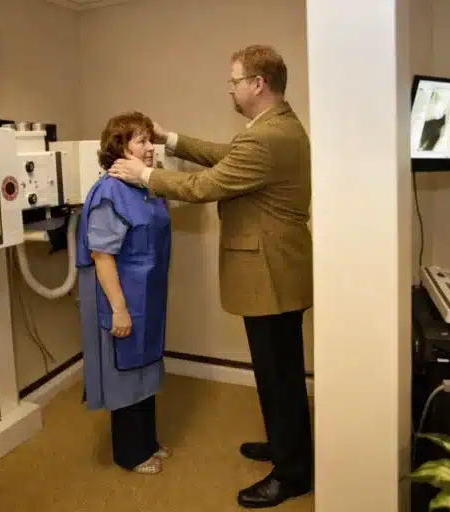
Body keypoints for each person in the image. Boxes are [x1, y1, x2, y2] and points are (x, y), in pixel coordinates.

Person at [108, 45, 313, 508]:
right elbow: (226, 155)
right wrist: (171, 139)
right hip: (281, 269)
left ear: (258, 84)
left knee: (278, 376)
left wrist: (145, 175)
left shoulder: (267, 137)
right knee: (278, 372)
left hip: (271, 274)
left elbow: (205, 185)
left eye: (234, 82)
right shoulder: (276, 127)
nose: (231, 90)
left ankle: (294, 472)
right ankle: (287, 448)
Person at [76, 111, 173, 475]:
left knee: (146, 371)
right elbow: (102, 256)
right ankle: (130, 453)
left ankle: (147, 440)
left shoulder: (145, 187)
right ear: (120, 147)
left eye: (150, 140)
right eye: (141, 141)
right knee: (126, 375)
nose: (150, 148)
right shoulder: (110, 191)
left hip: (147, 295)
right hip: (121, 295)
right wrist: (118, 308)